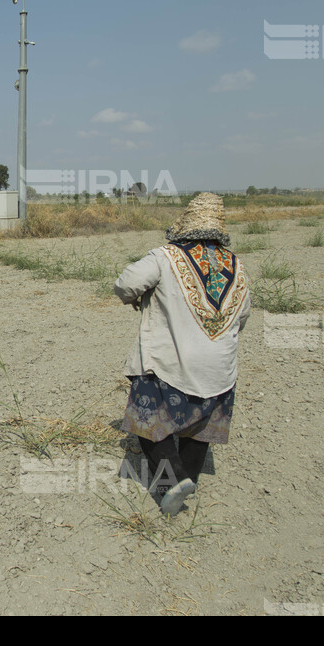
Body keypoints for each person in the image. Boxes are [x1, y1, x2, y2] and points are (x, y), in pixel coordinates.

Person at [113, 192, 250, 515]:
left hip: (170, 363)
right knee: (199, 428)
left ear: (184, 228)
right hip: (221, 369)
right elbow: (243, 316)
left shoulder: (166, 256)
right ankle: (189, 479)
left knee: (148, 423)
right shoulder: (237, 264)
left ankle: (171, 483)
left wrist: (136, 296)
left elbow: (126, 283)